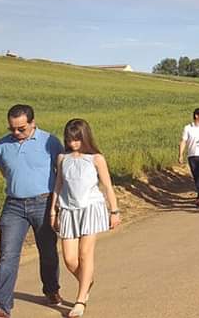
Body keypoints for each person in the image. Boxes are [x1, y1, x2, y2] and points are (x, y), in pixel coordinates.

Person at [0, 104, 64, 318]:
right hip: (14, 205)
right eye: (12, 128)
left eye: (21, 128)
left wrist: (58, 204)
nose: (16, 133)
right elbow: (6, 171)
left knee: (48, 252)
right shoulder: (1, 145)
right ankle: (2, 305)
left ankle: (51, 290)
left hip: (43, 203)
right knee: (8, 255)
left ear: (33, 123)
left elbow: (61, 173)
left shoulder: (50, 141)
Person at [50, 119, 122, 318]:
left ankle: (80, 300)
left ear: (85, 137)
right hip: (67, 210)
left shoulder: (96, 158)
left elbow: (107, 186)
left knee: (84, 254)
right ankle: (87, 280)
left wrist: (114, 211)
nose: (73, 143)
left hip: (91, 207)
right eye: (70, 139)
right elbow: (58, 185)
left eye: (77, 139)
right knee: (69, 259)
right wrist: (53, 211)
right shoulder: (62, 158)